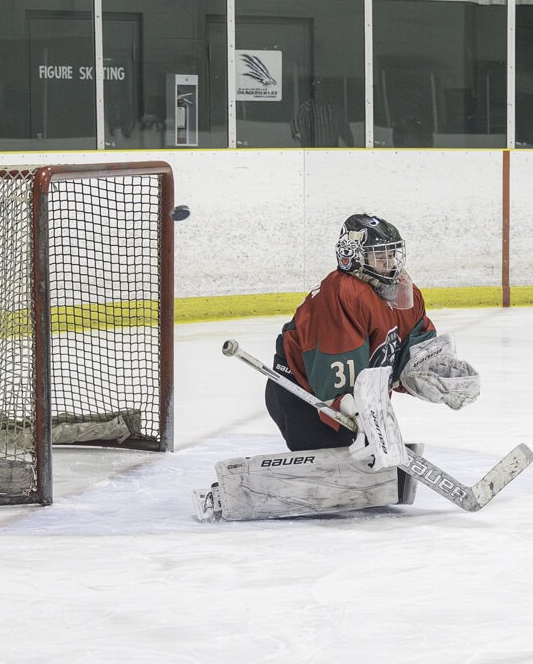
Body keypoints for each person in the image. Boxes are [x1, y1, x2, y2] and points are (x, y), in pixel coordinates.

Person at [195, 214, 481, 521]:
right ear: (353, 257)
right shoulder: (341, 293)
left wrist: (431, 370)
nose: (389, 262)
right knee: (336, 476)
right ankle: (231, 492)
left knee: (384, 477)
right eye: (379, 255)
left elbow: (410, 347)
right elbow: (334, 376)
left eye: (391, 253)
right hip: (303, 398)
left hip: (355, 398)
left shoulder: (401, 290)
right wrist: (364, 420)